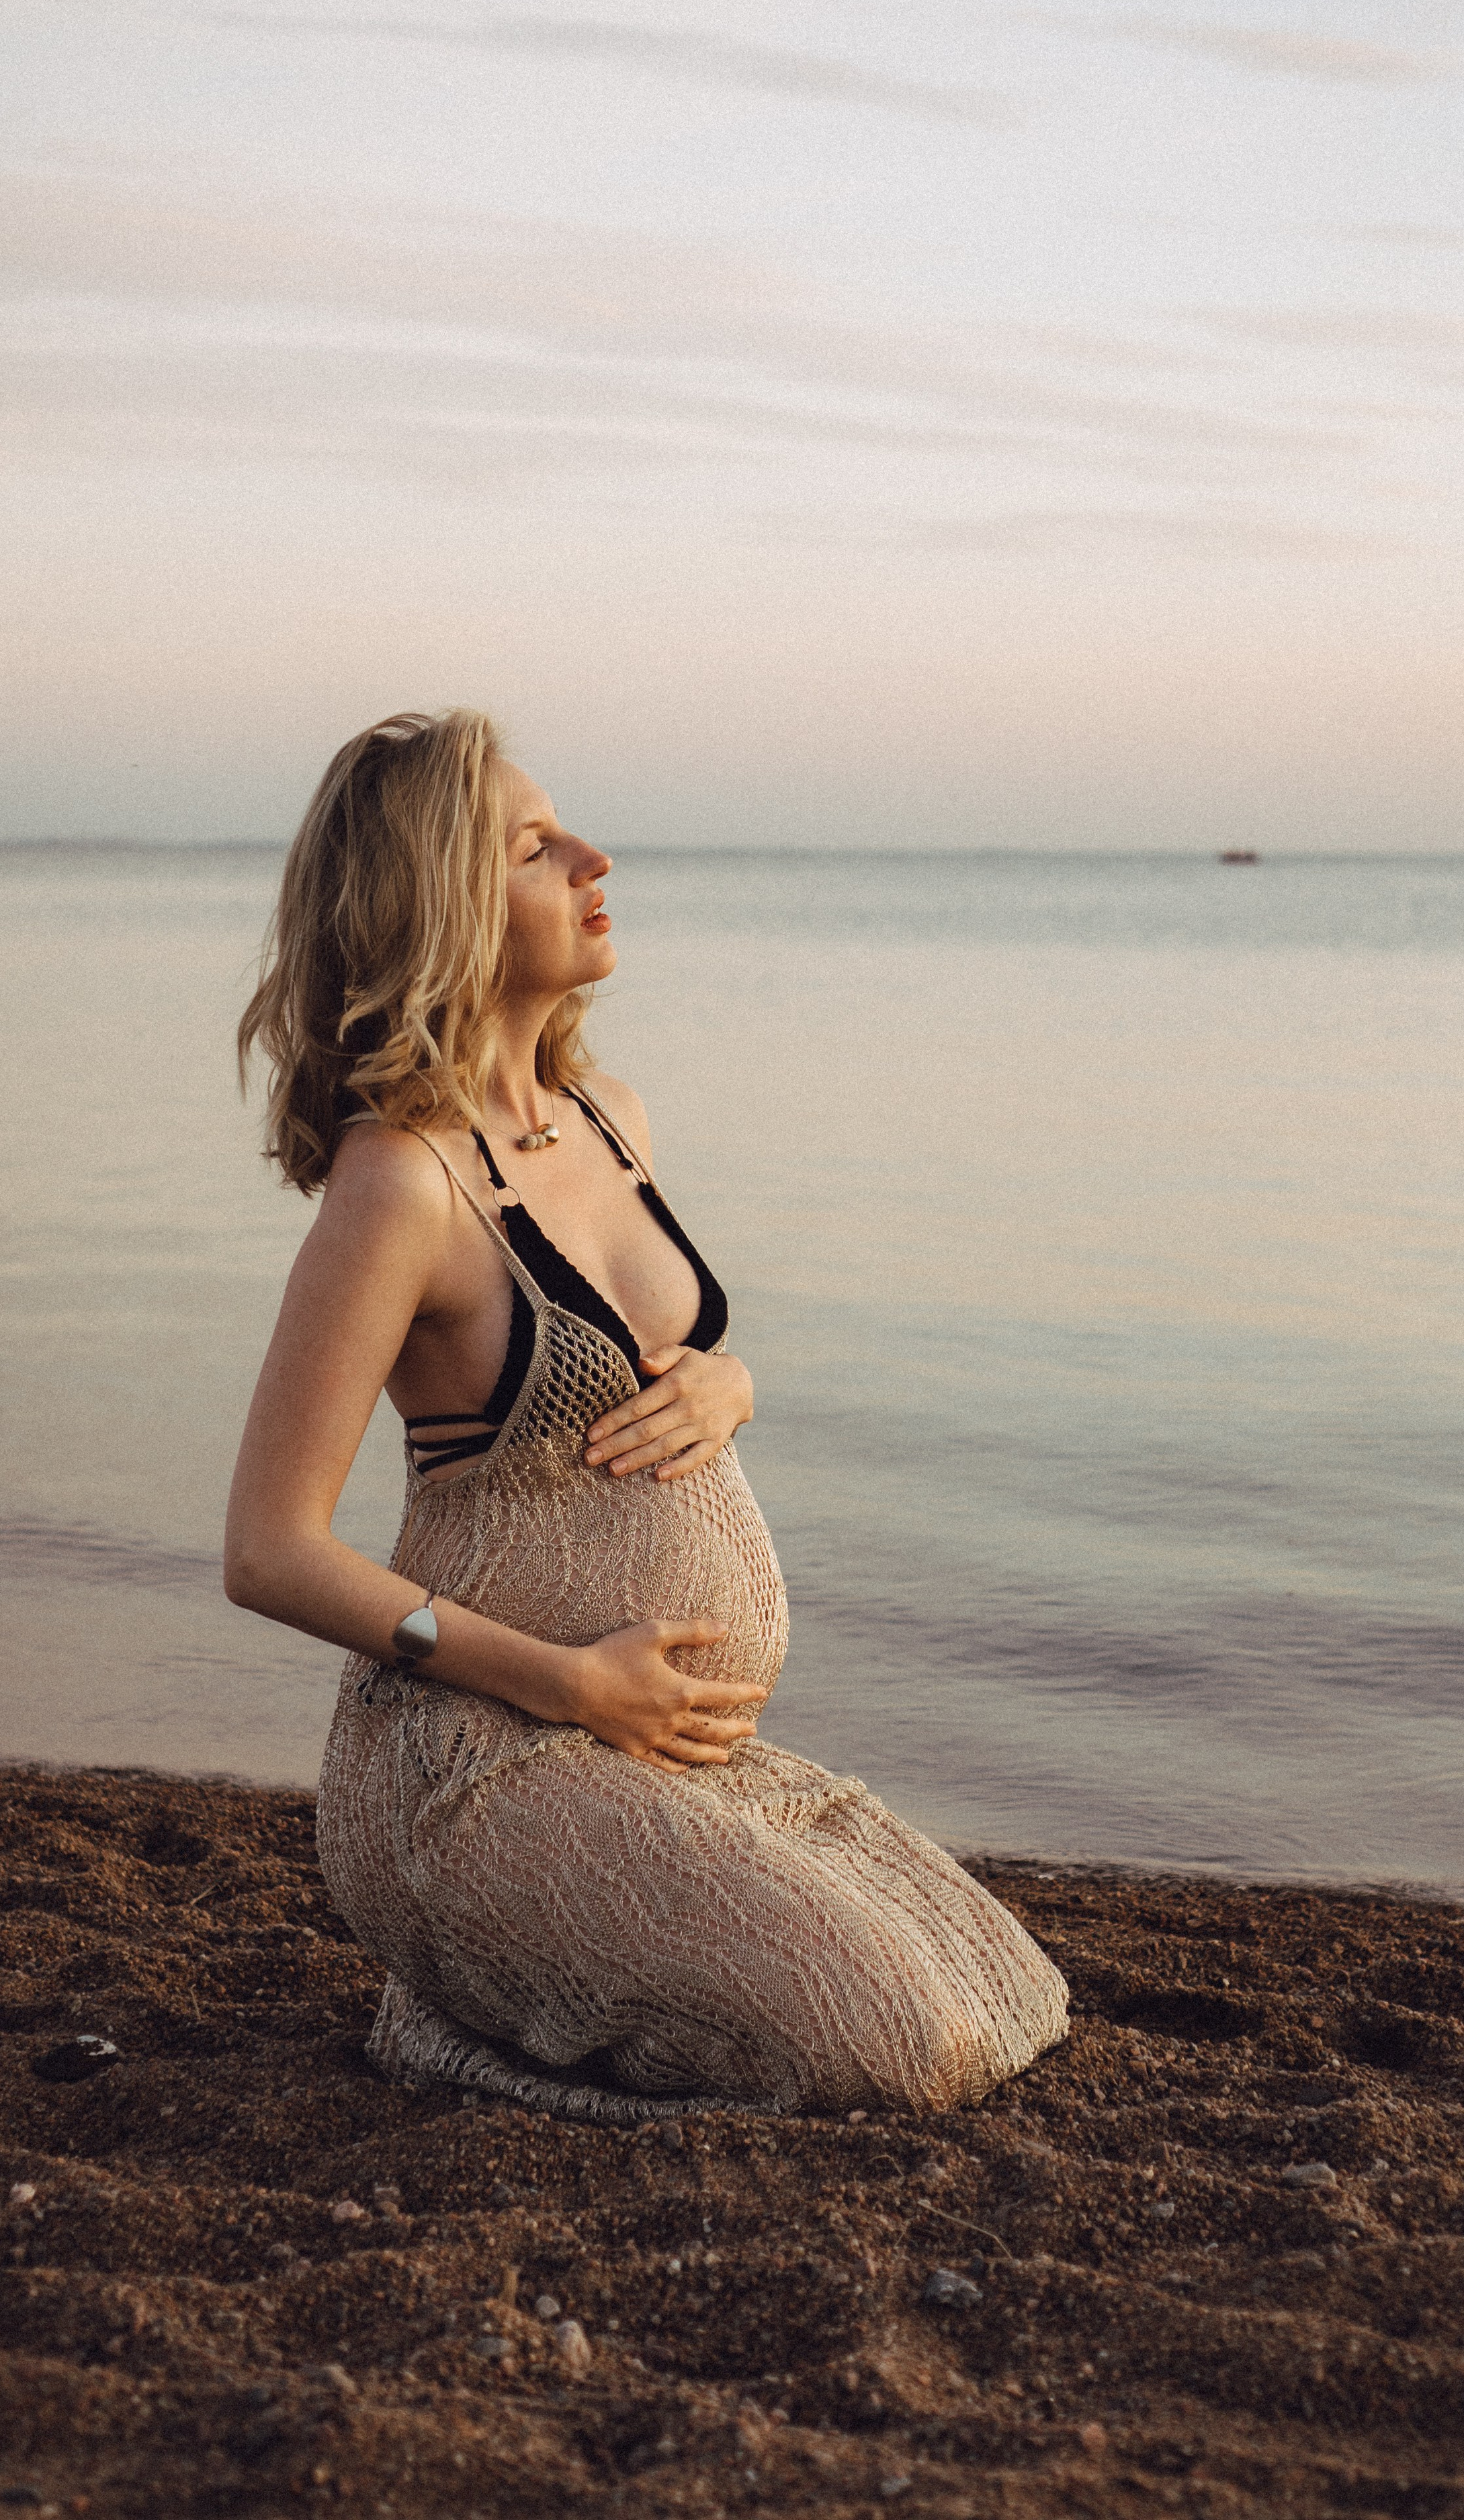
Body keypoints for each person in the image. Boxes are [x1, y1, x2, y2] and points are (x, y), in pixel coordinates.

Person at [226, 709, 1068, 2120]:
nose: (593, 858)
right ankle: (444, 2030)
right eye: (536, 845)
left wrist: (734, 1382)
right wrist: (564, 1683)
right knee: (888, 2055)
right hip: (475, 1763)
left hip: (642, 1749)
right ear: (439, 899)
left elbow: (661, 1356)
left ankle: (544, 1984)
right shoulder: (400, 1185)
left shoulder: (608, 1116)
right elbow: (268, 1550)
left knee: (1006, 1999)